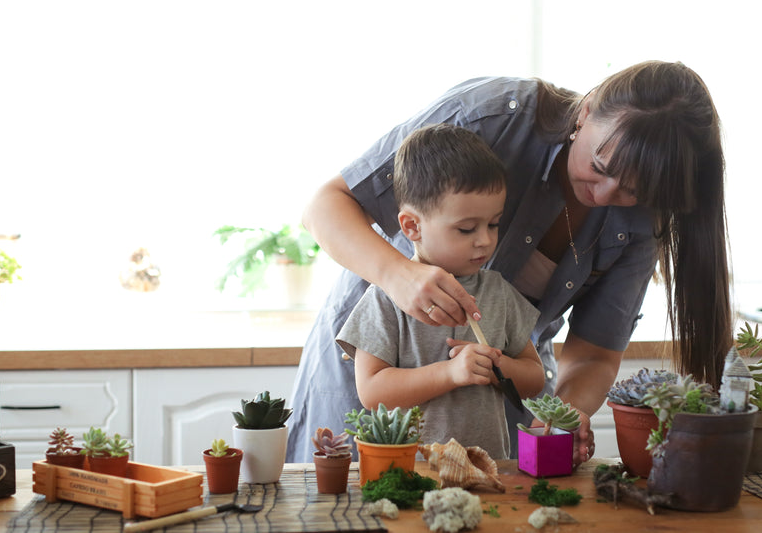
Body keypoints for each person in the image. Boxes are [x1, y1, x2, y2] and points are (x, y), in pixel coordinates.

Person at [285, 60, 732, 465]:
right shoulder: (492, 116)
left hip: (487, 414)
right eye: (599, 166)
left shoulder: (641, 222)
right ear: (587, 111)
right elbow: (326, 205)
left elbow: (593, 353)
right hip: (365, 384)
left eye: (633, 191)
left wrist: (565, 412)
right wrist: (398, 275)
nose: (605, 195)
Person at [336, 123, 545, 459]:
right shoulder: (386, 297)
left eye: (493, 224)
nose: (485, 240)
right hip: (412, 472)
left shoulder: (498, 292)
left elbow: (535, 378)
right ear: (412, 226)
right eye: (466, 228)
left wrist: (495, 367)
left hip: (487, 470)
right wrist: (450, 373)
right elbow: (372, 390)